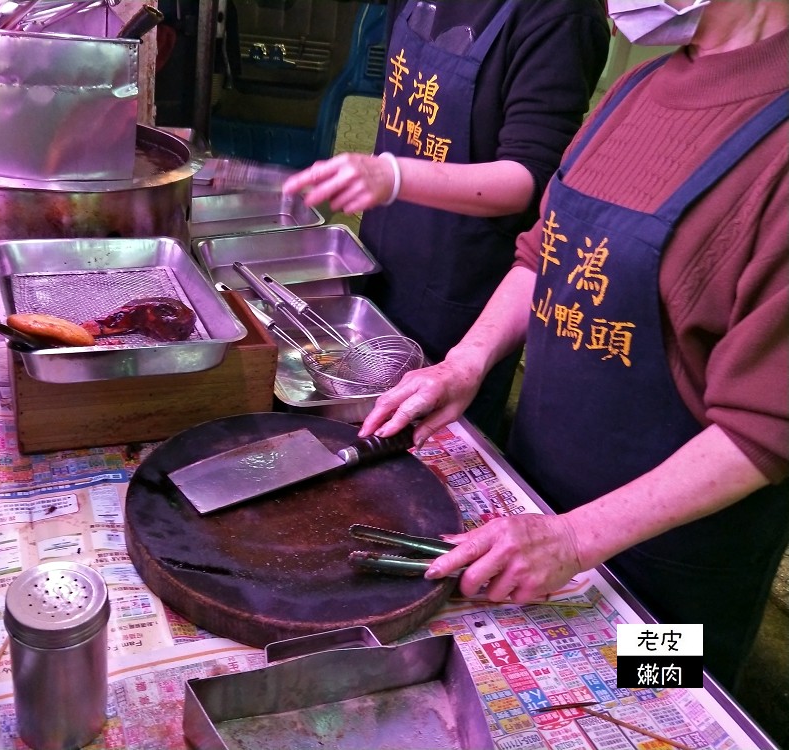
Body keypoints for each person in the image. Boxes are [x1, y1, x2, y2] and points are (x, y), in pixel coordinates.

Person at [358, 0, 789, 692]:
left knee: (652, 707)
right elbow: (541, 257)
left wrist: (575, 540)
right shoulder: (634, 90)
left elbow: (765, 425)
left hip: (671, 577)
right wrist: (465, 362)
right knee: (524, 702)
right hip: (535, 516)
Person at [283, 0, 610, 441]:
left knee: (427, 451)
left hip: (461, 292)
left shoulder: (560, 15)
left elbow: (532, 179)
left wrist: (395, 175)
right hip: (385, 256)